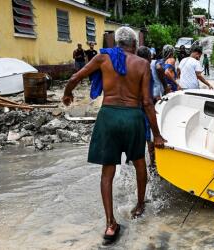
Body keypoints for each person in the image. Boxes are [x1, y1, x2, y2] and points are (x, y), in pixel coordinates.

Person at [62, 27, 165, 244]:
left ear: (116, 43)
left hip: (108, 116)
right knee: (139, 163)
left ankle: (110, 224)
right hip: (133, 117)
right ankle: (139, 206)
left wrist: (67, 93)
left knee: (107, 171)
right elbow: (147, 102)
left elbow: (75, 77)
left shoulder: (102, 58)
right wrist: (157, 135)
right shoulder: (142, 63)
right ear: (135, 44)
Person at [137, 46, 157, 167]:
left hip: (132, 110)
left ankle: (131, 162)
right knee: (150, 137)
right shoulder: (146, 70)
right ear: (148, 58)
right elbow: (146, 98)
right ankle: (152, 165)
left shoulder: (130, 67)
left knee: (137, 138)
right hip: (143, 109)